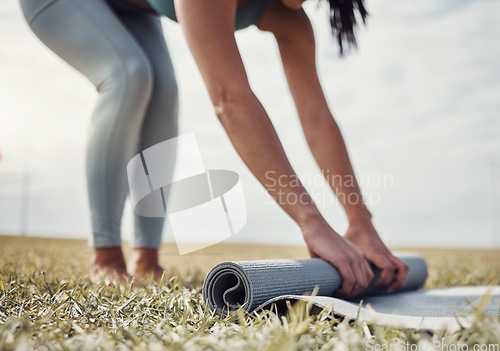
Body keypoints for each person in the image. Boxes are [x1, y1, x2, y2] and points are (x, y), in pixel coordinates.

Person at [19, 0, 408, 298]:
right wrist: (313, 224)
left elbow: (318, 119)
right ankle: (105, 257)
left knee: (165, 95)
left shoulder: (292, 20)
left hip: (133, 9)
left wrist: (360, 223)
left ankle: (146, 258)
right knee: (130, 75)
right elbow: (229, 100)